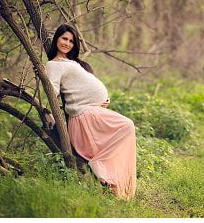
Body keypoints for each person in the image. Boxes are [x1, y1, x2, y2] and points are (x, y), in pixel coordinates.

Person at [44, 24, 137, 200]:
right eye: (64, 38)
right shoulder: (53, 65)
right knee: (127, 126)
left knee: (126, 129)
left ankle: (110, 182)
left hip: (92, 111)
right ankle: (100, 166)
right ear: (57, 38)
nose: (67, 43)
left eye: (71, 41)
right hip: (83, 117)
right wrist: (44, 75)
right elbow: (53, 92)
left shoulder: (72, 62)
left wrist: (101, 99)